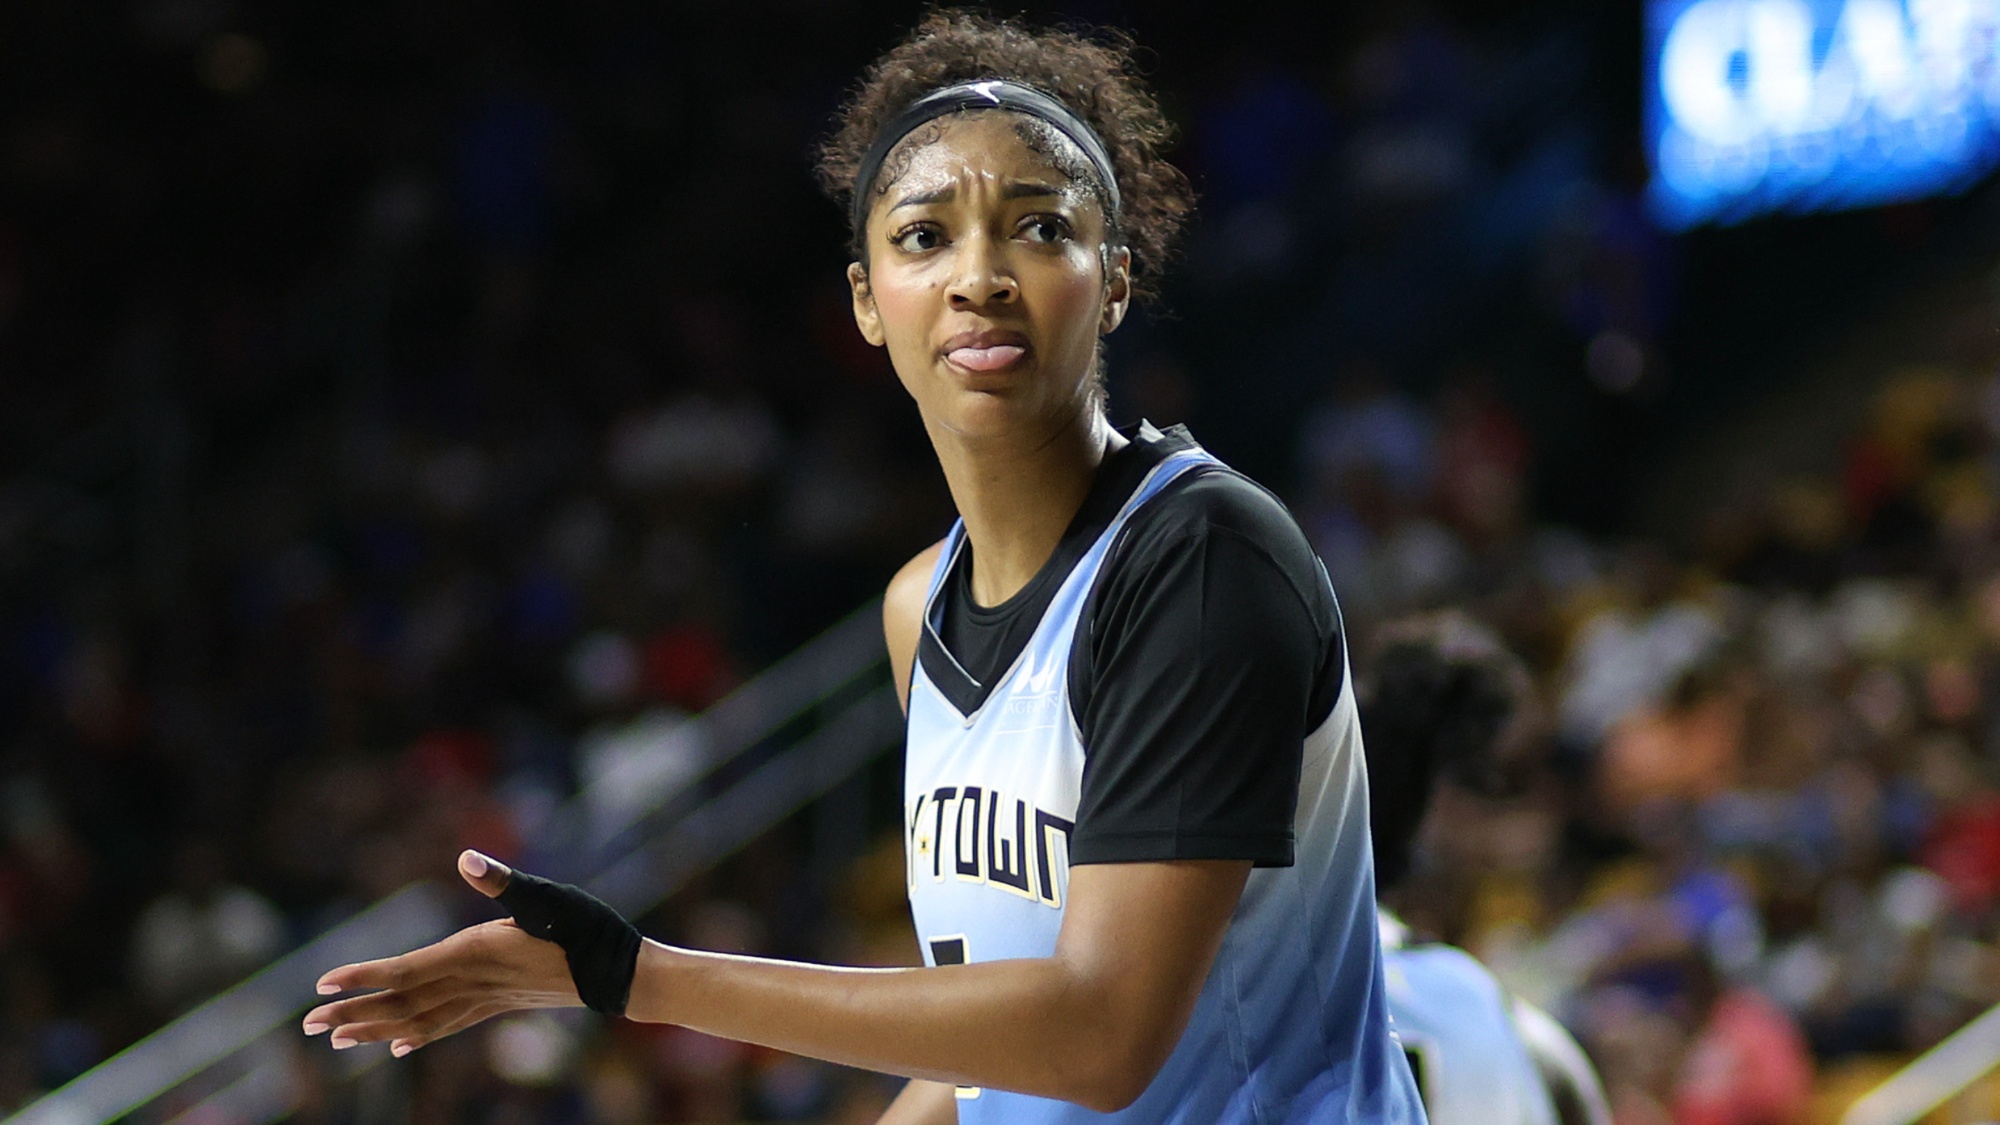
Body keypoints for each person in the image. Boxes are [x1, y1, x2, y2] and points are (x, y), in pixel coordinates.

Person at [303, 12, 1425, 1123]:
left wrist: (633, 977)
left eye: (1038, 228)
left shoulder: (1201, 561)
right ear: (865, 302)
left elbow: (1098, 1034)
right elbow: (985, 1040)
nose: (978, 276)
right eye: (924, 236)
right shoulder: (915, 611)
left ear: (1115, 279)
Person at [1357, 614, 1611, 1125]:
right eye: (1510, 785)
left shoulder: (1249, 993)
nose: (1546, 810)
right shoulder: (1532, 1046)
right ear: (1437, 804)